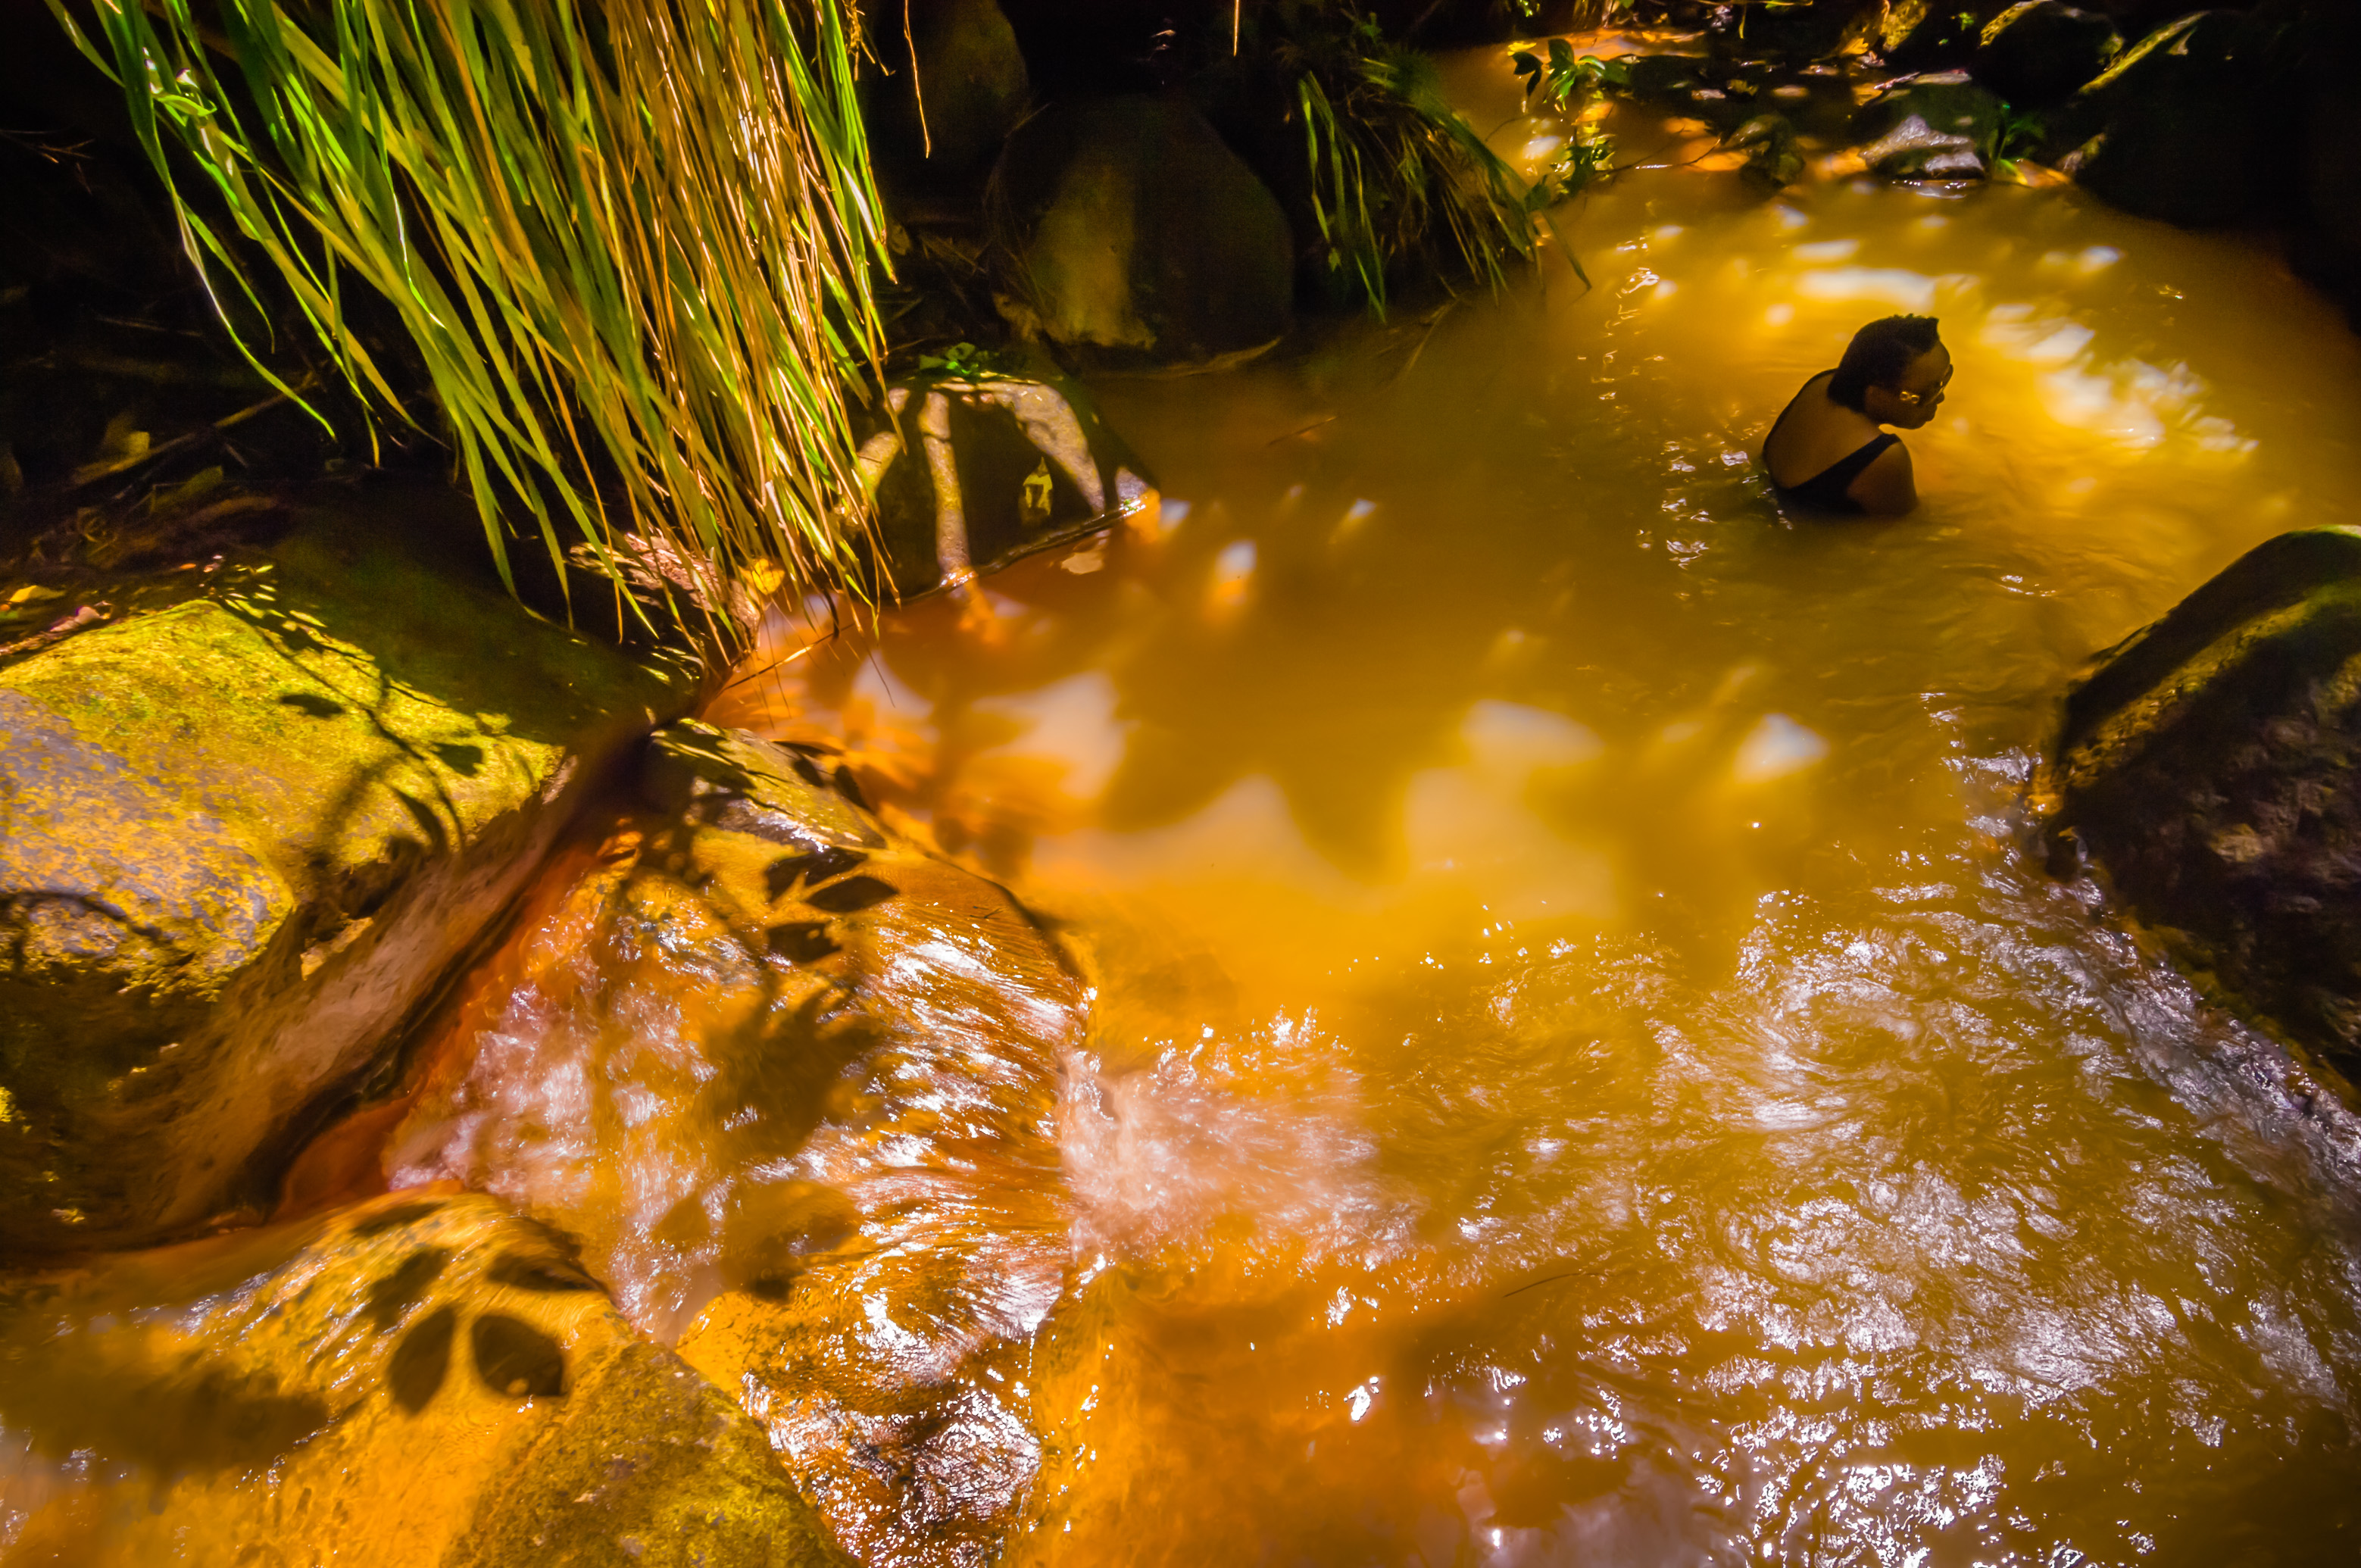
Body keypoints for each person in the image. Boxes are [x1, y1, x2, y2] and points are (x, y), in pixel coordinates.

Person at [1760, 314, 1952, 515]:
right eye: (1929, 392)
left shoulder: (1823, 382)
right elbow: (1909, 528)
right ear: (1876, 394)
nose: (1941, 398)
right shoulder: (1883, 457)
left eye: (1943, 381)